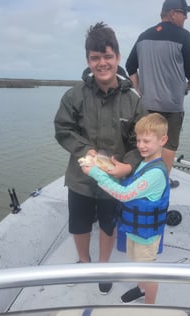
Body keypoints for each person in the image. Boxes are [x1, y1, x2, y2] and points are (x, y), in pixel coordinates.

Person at [54, 22, 147, 295]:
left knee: (108, 224)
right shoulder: (74, 95)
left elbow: (139, 141)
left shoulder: (133, 99)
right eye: (95, 58)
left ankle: (103, 266)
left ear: (117, 58)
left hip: (114, 180)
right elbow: (63, 129)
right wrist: (85, 151)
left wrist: (128, 165)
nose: (102, 63)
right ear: (88, 60)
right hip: (81, 178)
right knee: (79, 223)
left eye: (107, 56)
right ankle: (84, 262)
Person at [81, 113, 170, 304]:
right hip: (136, 231)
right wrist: (103, 167)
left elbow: (124, 194)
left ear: (163, 140)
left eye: (146, 141)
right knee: (139, 267)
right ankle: (140, 288)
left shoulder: (155, 172)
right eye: (138, 140)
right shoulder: (144, 163)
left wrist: (95, 173)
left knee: (149, 272)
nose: (140, 146)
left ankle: (150, 305)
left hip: (147, 236)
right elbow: (125, 184)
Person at [125, 0, 190, 187]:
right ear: (173, 13)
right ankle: (161, 182)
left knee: (145, 142)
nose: (186, 17)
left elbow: (129, 66)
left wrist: (140, 91)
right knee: (169, 144)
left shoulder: (143, 36)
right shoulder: (184, 36)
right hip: (173, 107)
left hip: (146, 105)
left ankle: (142, 179)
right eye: (184, 13)